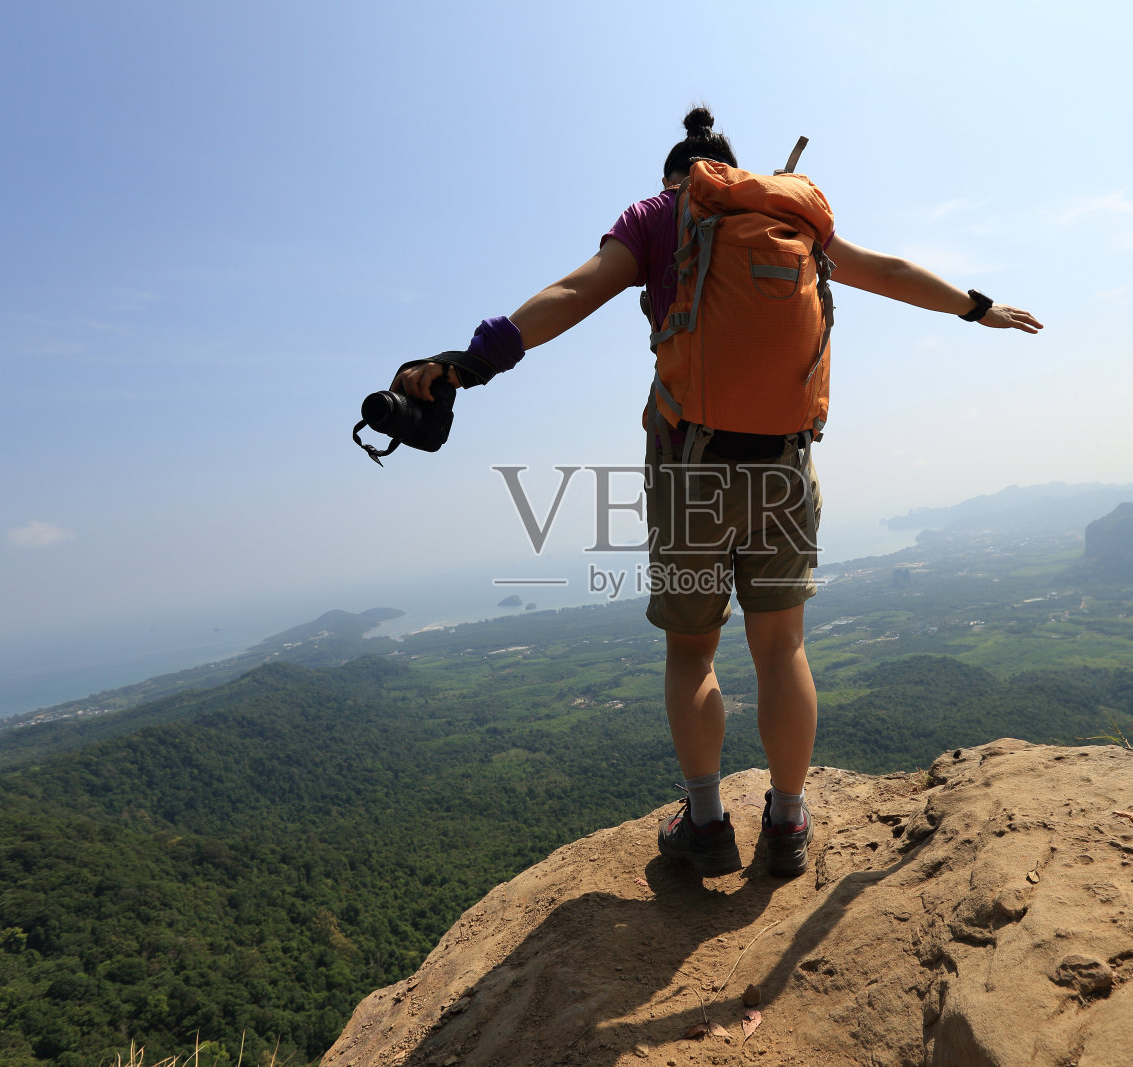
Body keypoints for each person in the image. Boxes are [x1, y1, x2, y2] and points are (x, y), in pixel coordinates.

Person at [394, 107, 1042, 878]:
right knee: (782, 646)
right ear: (734, 170)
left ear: (676, 175)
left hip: (691, 462)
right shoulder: (790, 211)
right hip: (785, 461)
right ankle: (790, 824)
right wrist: (976, 307)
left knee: (694, 650)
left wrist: (473, 361)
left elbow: (576, 290)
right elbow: (890, 272)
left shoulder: (656, 215)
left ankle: (705, 826)